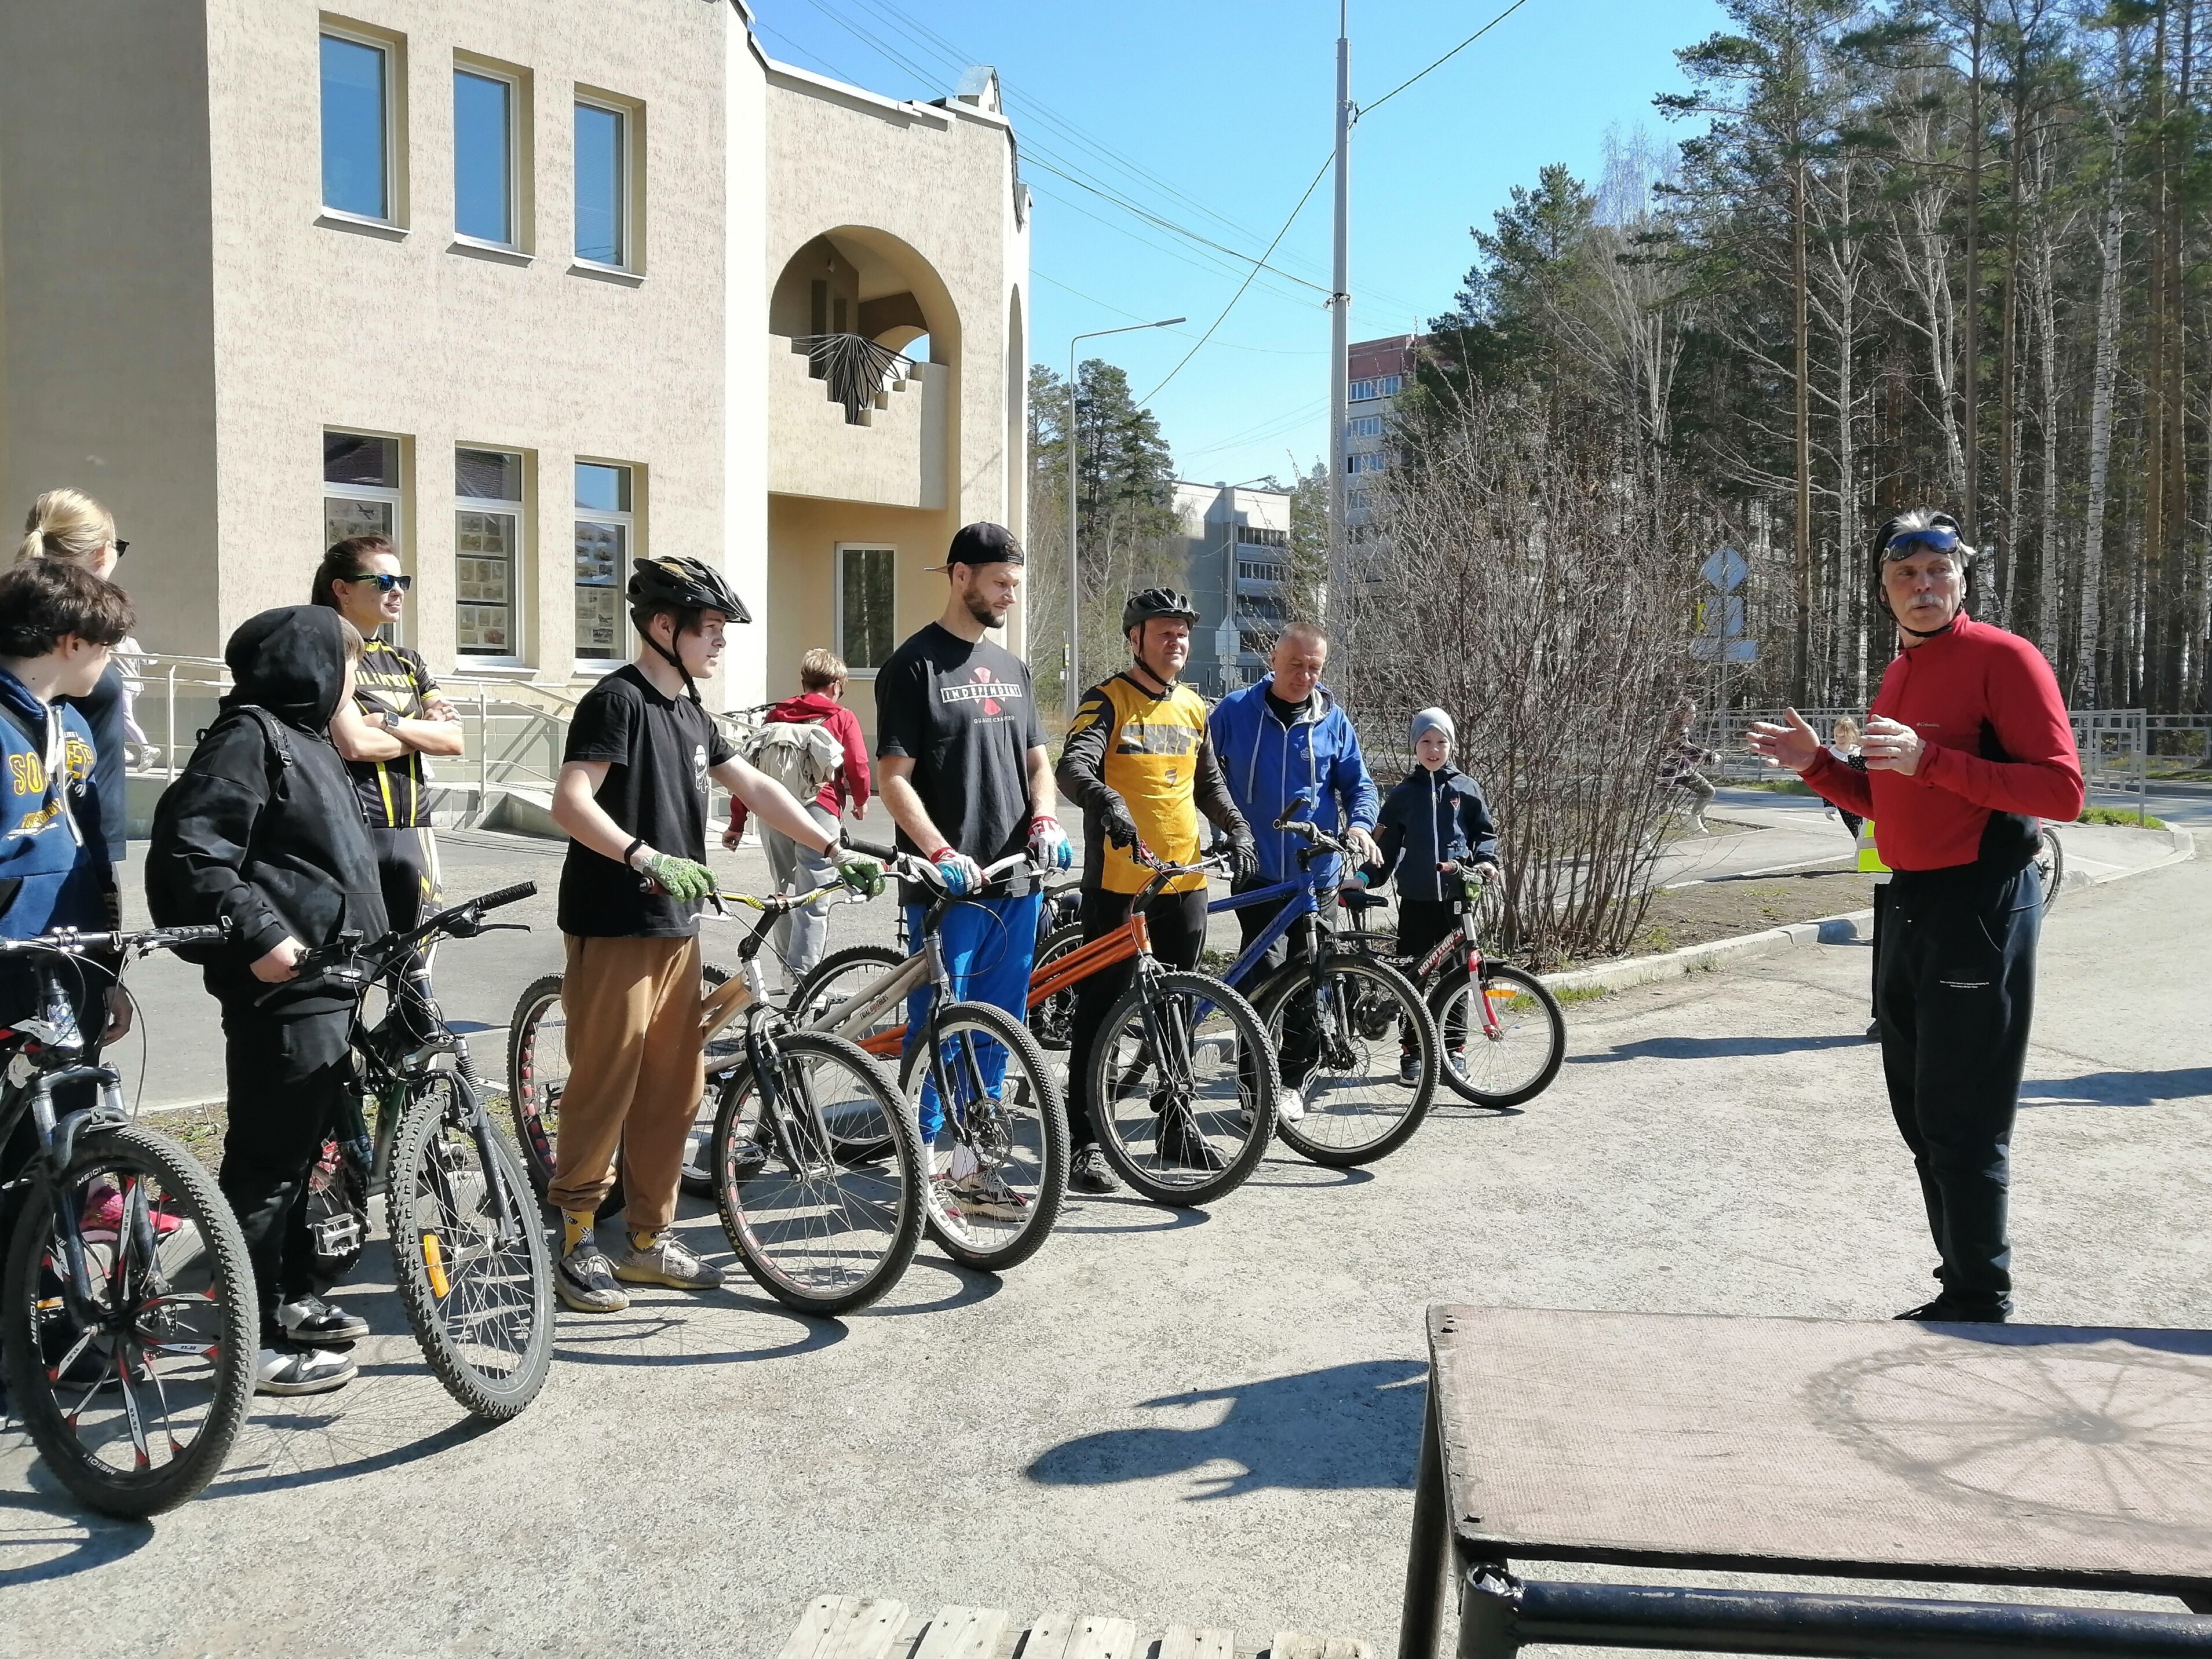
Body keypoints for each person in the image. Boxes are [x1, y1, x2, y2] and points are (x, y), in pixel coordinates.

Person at [1749, 509, 2083, 1325]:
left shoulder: (2003, 659)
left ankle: (1978, 1296)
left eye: (1937, 571)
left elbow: (2060, 792)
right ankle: (1958, 1281)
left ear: (1960, 578)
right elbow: (1887, 809)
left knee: (1961, 1116)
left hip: (1979, 901)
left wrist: (1932, 760)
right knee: (1918, 1112)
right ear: (1883, 588)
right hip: (1908, 903)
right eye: (1905, 574)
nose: (1922, 586)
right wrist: (1819, 767)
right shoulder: (1897, 673)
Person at [546, 556, 880, 1314]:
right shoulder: (616, 702)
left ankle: (645, 1243)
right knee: (606, 1086)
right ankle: (572, 1242)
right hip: (615, 923)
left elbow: (757, 788)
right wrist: (645, 855)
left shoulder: (691, 713)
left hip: (675, 929)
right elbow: (569, 802)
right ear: (662, 627)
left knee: (674, 1090)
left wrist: (834, 848)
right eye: (709, 629)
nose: (720, 643)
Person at [146, 605, 389, 1394]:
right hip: (285, 992)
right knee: (267, 1170)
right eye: (347, 666)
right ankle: (243, 1345)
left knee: (309, 1163)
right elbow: (193, 847)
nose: (354, 681)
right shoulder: (249, 736)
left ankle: (288, 1298)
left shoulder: (308, 740)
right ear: (309, 666)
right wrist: (261, 937)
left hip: (333, 983)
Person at [874, 523, 1071, 1216]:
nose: (1010, 596)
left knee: (997, 1027)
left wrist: (1046, 819)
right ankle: (922, 1168)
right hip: (949, 889)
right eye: (1000, 583)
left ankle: (972, 1168)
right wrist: (938, 851)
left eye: (1016, 584)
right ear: (960, 576)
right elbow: (891, 778)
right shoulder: (913, 665)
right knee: (938, 1028)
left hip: (1016, 879)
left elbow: (1036, 761)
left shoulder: (1012, 668)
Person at [1056, 588, 1256, 1194]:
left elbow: (1208, 784)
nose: (1177, 641)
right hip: (1120, 884)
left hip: (1183, 878)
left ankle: (1175, 1123)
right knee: (1100, 1009)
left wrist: (1238, 825)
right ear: (1135, 638)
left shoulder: (1194, 707)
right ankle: (1084, 1141)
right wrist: (1106, 800)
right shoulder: (1108, 699)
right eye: (1163, 631)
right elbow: (1072, 766)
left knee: (1175, 1007)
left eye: (1182, 632)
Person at [1206, 623, 1382, 1113]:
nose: (1305, 676)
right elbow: (1202, 774)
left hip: (1317, 875)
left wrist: (1361, 826)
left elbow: (1360, 786)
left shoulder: (1334, 721)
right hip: (1259, 874)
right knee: (1260, 982)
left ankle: (1290, 1082)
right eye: (1296, 666)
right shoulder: (1236, 711)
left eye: (1314, 668)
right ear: (1273, 661)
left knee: (1312, 980)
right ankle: (1251, 1087)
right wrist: (1223, 832)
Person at [313, 535, 465, 1037]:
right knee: (350, 967)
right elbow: (353, 746)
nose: (397, 591)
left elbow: (453, 740)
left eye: (402, 581)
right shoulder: (328, 652)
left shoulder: (408, 660)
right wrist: (417, 728)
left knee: (416, 975)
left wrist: (390, 723)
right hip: (353, 826)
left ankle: (413, 1090)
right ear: (342, 589)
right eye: (383, 581)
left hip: (413, 826)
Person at [0, 560, 134, 1068]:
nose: (108, 663)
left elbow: (95, 853)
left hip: (72, 957)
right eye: (106, 647)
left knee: (68, 1119)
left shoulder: (72, 722)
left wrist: (109, 973)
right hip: (9, 957)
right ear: (72, 643)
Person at [723, 646, 873, 983]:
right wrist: (860, 800)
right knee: (814, 898)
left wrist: (737, 821)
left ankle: (787, 975)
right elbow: (859, 765)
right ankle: (804, 984)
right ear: (836, 684)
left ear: (805, 682)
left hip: (774, 811)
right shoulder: (841, 717)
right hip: (820, 810)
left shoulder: (776, 716)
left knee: (784, 892)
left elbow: (751, 769)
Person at [1368, 708, 1498, 1086]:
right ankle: (1412, 1053)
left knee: (1457, 978)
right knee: (1414, 980)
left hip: (1457, 901)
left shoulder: (1466, 789)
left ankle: (1453, 1051)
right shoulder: (1404, 795)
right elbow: (1386, 848)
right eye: (1426, 741)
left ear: (1451, 745)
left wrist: (1487, 862)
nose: (1434, 749)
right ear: (1415, 746)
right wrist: (1365, 878)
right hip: (1417, 901)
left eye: (1441, 742)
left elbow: (1484, 835)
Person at [19, 489, 140, 870]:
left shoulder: (22, 611)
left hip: (61, 822)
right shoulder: (70, 631)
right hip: (65, 828)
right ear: (103, 553)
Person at [1663, 699, 1720, 836]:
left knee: (1707, 790)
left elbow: (1689, 748)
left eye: (1694, 713)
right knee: (1662, 807)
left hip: (1684, 770)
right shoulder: (1673, 729)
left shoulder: (1684, 728)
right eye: (1691, 713)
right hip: (1669, 772)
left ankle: (1693, 817)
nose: (1694, 716)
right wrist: (1709, 757)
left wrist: (1707, 754)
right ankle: (1642, 835)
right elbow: (1685, 750)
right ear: (1679, 713)